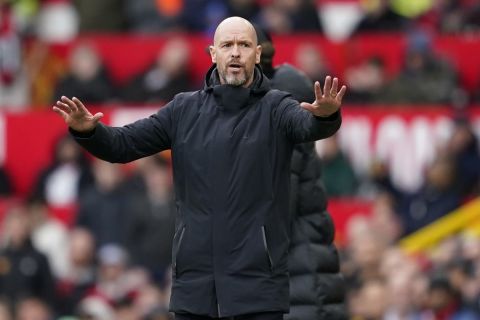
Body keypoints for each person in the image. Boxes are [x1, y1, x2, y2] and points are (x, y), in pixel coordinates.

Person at [53, 16, 346, 319]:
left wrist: (324, 117)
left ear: (257, 55)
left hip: (258, 287)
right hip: (194, 287)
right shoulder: (183, 109)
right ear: (212, 53)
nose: (235, 52)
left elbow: (307, 126)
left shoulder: (276, 106)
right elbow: (122, 145)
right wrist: (88, 132)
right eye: (227, 45)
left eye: (244, 45)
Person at [255, 26, 347, 319]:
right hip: (301, 275)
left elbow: (276, 206)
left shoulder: (279, 105)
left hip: (299, 281)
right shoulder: (275, 95)